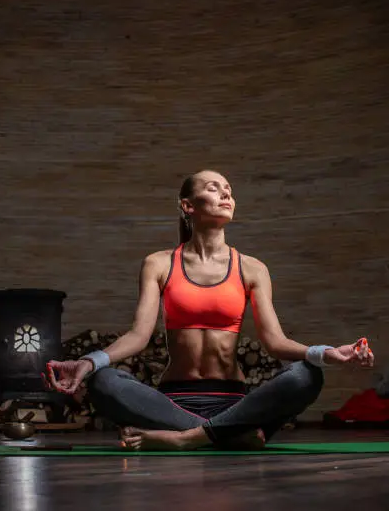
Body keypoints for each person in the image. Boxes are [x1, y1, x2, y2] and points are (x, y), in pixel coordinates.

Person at [45, 169, 375, 450]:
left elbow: (275, 342)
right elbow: (137, 336)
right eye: (213, 188)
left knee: (306, 375)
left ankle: (186, 438)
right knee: (104, 382)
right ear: (188, 206)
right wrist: (89, 362)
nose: (226, 194)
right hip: (174, 401)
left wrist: (330, 353)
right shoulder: (159, 263)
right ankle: (228, 434)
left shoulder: (252, 268)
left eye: (229, 190)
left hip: (236, 400)